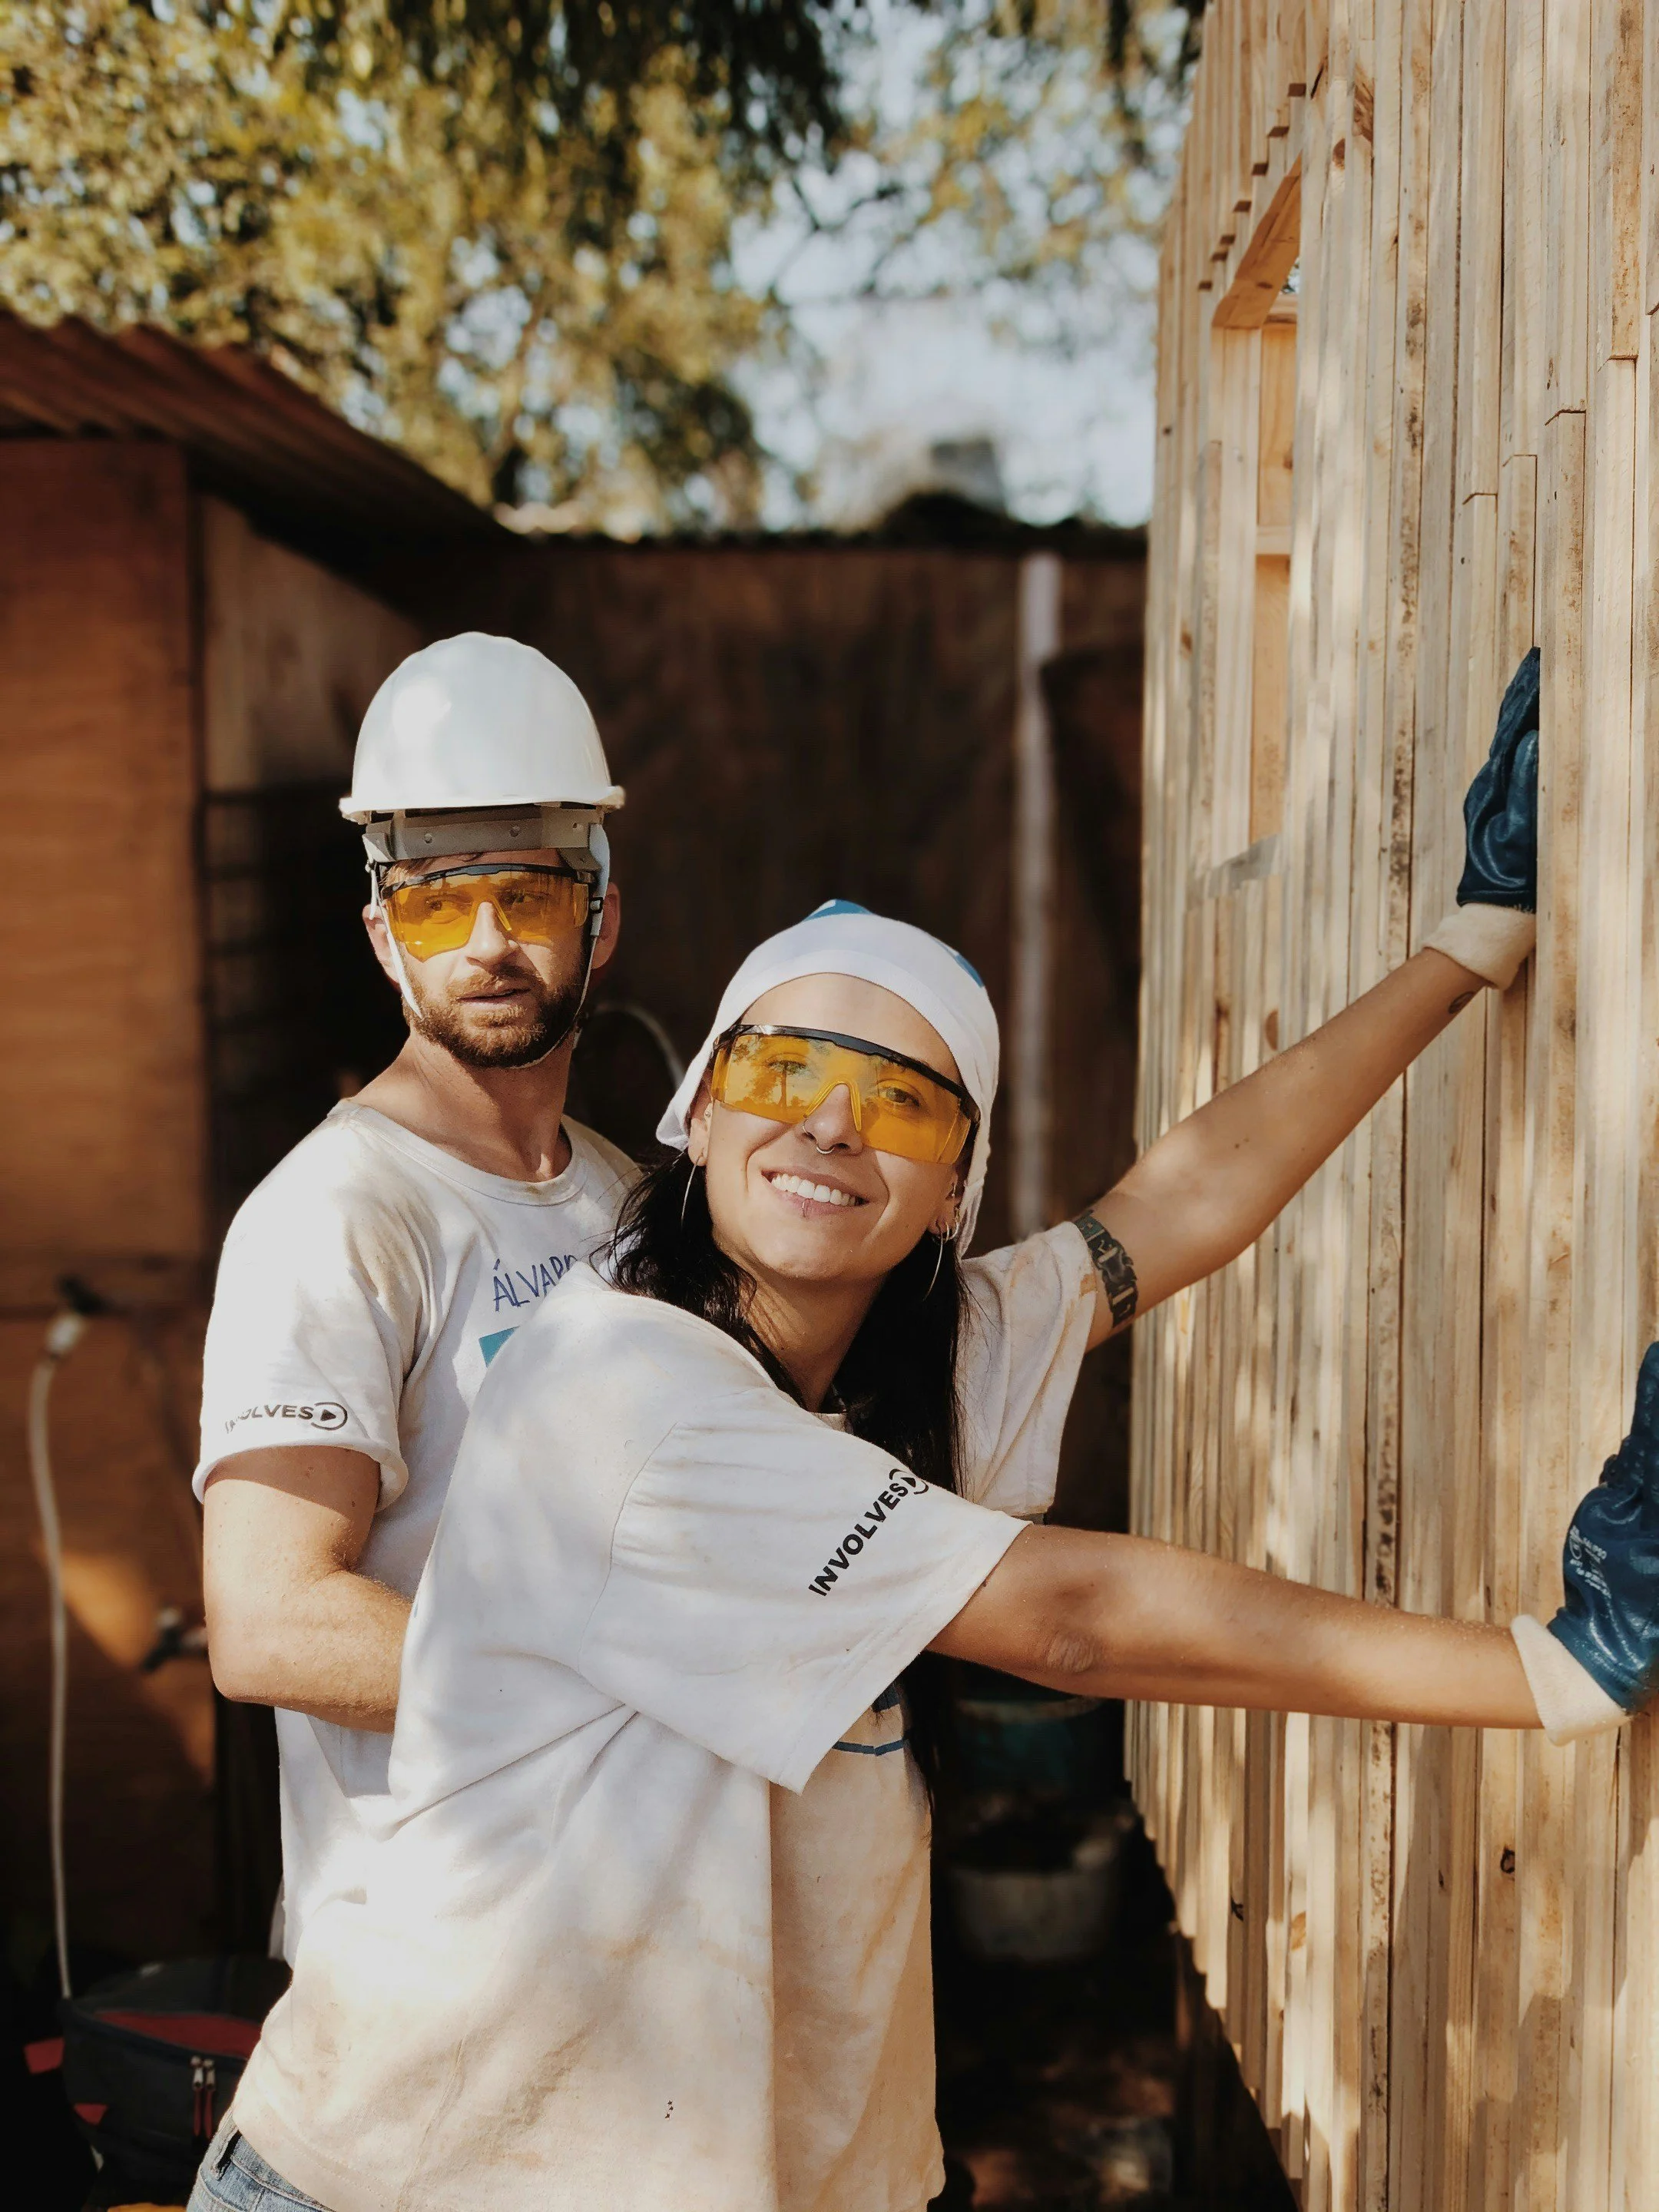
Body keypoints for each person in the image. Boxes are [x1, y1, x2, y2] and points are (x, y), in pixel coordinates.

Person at [195, 633, 637, 1959]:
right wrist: (642, 1684)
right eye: (443, 904)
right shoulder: (336, 1217)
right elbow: (272, 1623)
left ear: (601, 917)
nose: (489, 944)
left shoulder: (621, 1198)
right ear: (387, 937)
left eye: (530, 895)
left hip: (611, 1925)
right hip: (421, 1963)